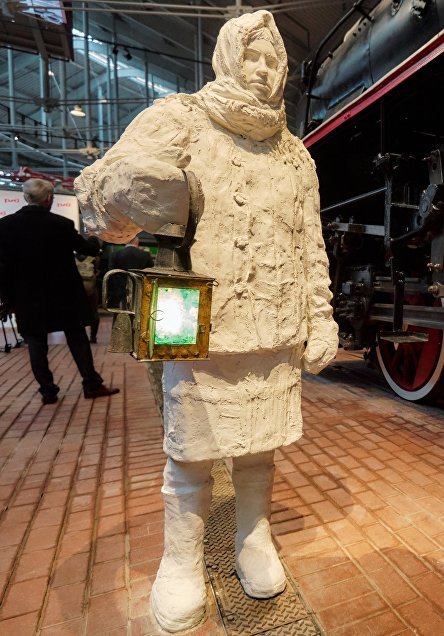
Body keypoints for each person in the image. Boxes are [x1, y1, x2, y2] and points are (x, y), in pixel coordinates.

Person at [76, 10, 338, 632]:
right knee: (191, 451)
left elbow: (311, 244)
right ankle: (181, 561)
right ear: (227, 57)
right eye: (252, 56)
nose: (263, 70)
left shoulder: (295, 154)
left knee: (260, 448)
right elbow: (94, 198)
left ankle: (254, 539)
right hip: (198, 322)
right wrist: (128, 192)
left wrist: (322, 315)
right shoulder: (180, 119)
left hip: (275, 323)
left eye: (273, 60)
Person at [0, 178, 121, 404]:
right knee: (77, 339)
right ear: (48, 199)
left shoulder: (5, 226)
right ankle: (91, 384)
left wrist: (7, 300)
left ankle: (48, 391)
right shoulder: (61, 225)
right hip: (65, 297)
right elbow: (88, 249)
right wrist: (95, 236)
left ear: (26, 197)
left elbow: (3, 268)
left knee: (36, 344)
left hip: (27, 299)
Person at [105, 237, 154, 310]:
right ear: (137, 242)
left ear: (126, 241)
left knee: (121, 309)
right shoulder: (145, 255)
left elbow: (112, 272)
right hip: (139, 287)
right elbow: (150, 271)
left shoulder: (115, 254)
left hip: (120, 287)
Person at [75, 236, 102, 343]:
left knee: (77, 313)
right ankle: (93, 336)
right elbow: (97, 271)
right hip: (91, 288)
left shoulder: (75, 257)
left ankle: (80, 336)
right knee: (94, 313)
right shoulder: (95, 258)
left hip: (77, 289)